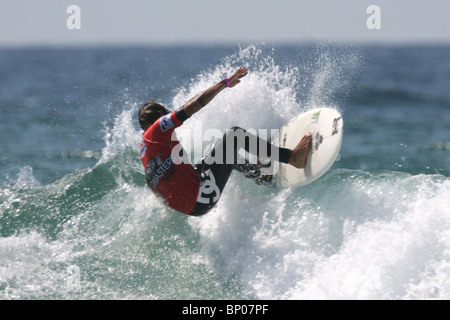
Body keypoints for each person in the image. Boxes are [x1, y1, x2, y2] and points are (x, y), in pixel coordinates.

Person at [139, 66, 311, 216]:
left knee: (220, 150)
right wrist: (225, 83)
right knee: (234, 136)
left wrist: (168, 204)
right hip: (201, 197)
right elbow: (192, 106)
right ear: (160, 117)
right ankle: (293, 158)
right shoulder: (158, 127)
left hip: (193, 203)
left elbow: (150, 182)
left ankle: (260, 175)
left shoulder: (144, 149)